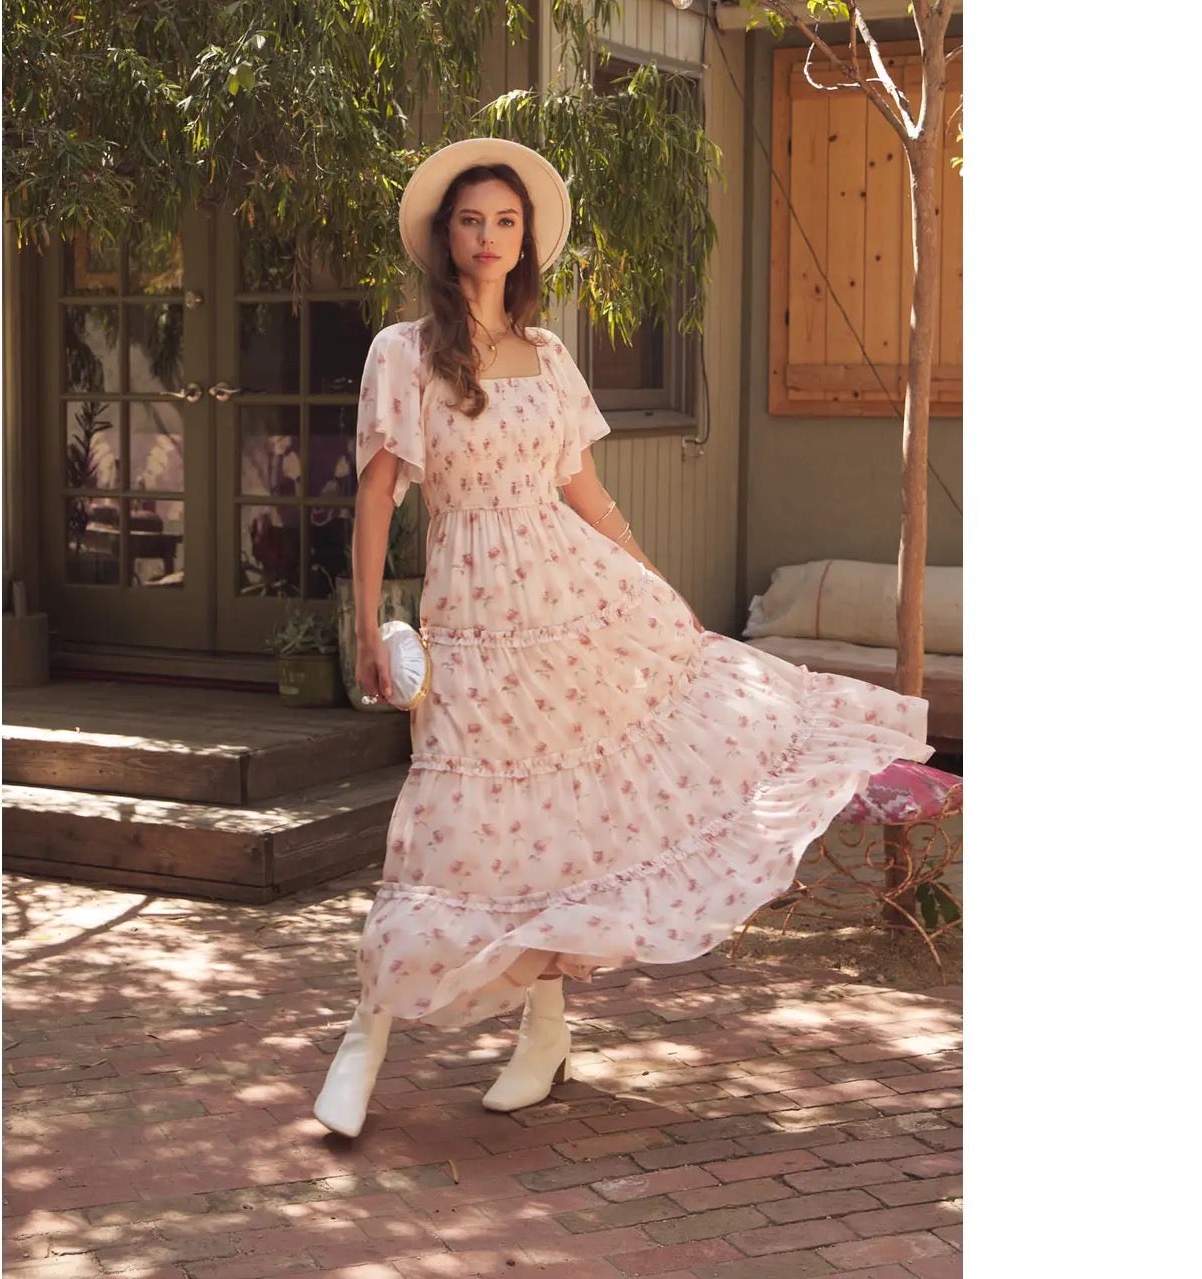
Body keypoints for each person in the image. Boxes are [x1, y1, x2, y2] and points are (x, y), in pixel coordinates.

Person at [312, 137, 931, 1138]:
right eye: (471, 221)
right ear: (443, 237)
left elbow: (587, 494)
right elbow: (379, 496)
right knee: (443, 825)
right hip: (470, 618)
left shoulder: (551, 356)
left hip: (575, 605)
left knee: (561, 825)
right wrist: (366, 626)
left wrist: (656, 586)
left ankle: (545, 1035)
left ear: (526, 241)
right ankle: (364, 1037)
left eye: (505, 222)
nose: (488, 238)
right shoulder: (404, 352)